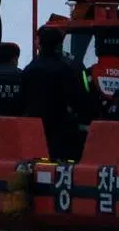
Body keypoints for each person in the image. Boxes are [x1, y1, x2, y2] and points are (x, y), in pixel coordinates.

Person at [22, 24, 100, 160]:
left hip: (33, 133)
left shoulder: (29, 70)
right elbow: (80, 100)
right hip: (62, 133)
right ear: (60, 43)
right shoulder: (68, 69)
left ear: (38, 42)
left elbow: (21, 101)